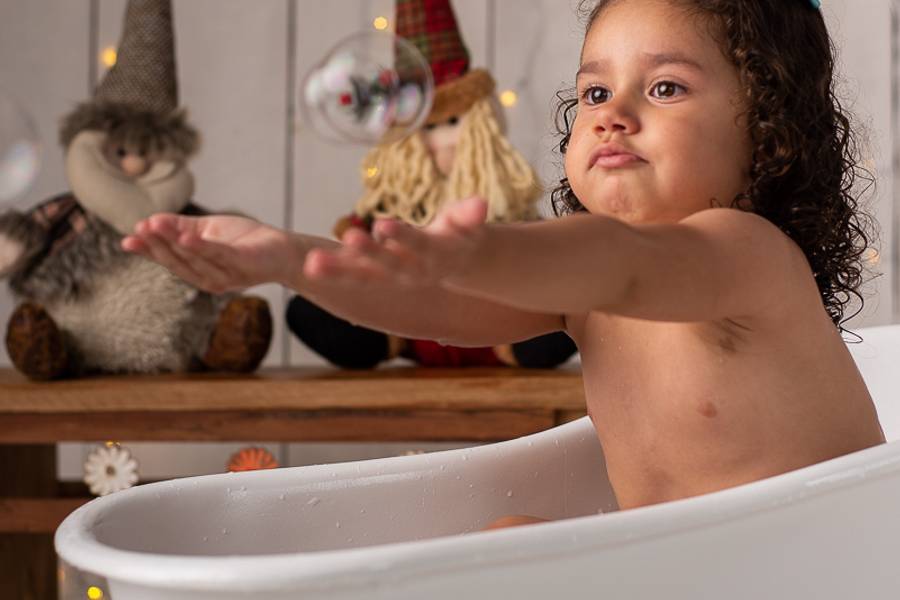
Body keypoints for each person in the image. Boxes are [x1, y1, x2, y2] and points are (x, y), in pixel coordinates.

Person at [122, 0, 885, 527]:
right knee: (507, 535)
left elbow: (624, 261)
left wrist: (486, 247)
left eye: (665, 87)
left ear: (769, 127)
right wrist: (288, 257)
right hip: (678, 568)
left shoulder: (745, 257)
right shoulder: (584, 291)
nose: (613, 111)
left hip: (810, 571)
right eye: (593, 91)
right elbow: (429, 307)